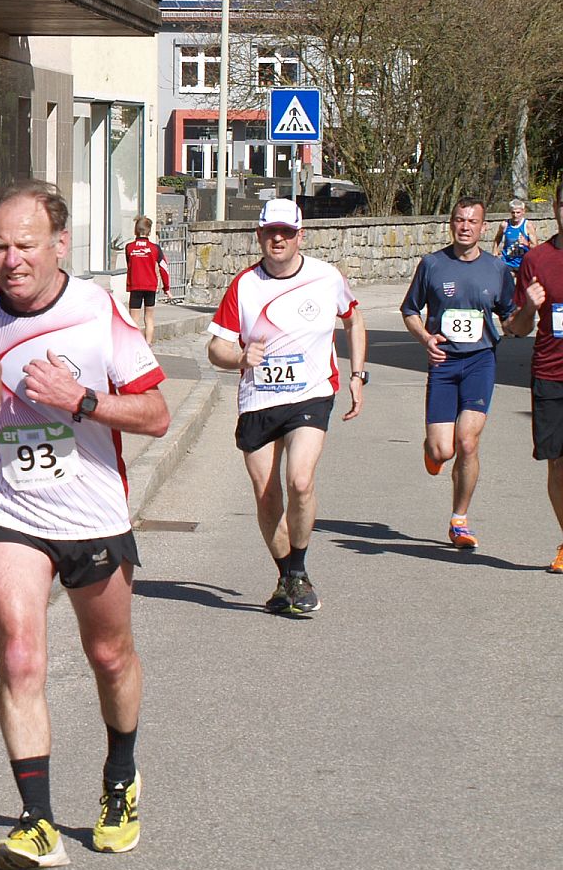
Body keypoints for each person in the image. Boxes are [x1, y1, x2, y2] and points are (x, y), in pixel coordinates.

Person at [0, 181, 170, 870]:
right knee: (21, 655)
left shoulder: (96, 311)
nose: (11, 260)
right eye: (0, 246)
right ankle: (37, 822)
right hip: (11, 511)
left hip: (92, 513)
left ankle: (121, 777)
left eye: (25, 245)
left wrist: (80, 399)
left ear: (60, 244)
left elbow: (156, 415)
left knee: (109, 656)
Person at [206, 198, 367, 618]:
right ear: (259, 234)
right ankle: (287, 578)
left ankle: (298, 569)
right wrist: (239, 358)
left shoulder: (326, 277)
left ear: (301, 236)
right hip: (259, 400)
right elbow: (216, 348)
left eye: (287, 232)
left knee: (299, 480)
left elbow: (354, 319)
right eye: (270, 232)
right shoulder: (244, 285)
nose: (278, 239)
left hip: (311, 394)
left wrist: (357, 374)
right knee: (266, 495)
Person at [400, 198, 518, 549]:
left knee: (468, 441)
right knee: (442, 451)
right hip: (444, 363)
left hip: (480, 361)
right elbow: (410, 310)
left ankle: (459, 521)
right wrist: (425, 338)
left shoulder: (497, 269)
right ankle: (433, 450)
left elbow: (509, 315)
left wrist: (522, 317)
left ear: (484, 227)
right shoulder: (432, 264)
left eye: (472, 221)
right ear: (451, 224)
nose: (465, 227)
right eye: (459, 220)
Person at [503, 187, 563, 573]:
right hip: (551, 374)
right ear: (555, 208)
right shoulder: (536, 260)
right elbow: (517, 328)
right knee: (557, 464)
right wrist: (529, 307)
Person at [123, 216, 171, 345]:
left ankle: (134, 344)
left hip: (135, 286)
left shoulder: (129, 247)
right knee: (149, 317)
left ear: (135, 230)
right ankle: (148, 344)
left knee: (134, 318)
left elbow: (129, 264)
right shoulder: (155, 248)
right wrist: (166, 288)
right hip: (150, 286)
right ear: (149, 231)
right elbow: (163, 267)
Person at [496, 198, 533, 273]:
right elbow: (498, 237)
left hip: (522, 262)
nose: (515, 215)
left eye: (518, 212)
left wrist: (526, 243)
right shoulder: (505, 224)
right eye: (513, 213)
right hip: (507, 261)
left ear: (523, 212)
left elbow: (536, 246)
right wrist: (495, 251)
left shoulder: (528, 226)